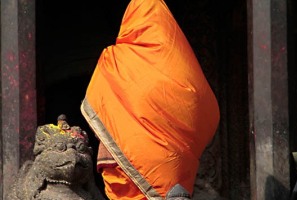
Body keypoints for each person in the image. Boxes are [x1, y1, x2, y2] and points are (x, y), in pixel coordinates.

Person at [81, 0, 220, 199]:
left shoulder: (114, 60)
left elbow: (100, 101)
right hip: (168, 164)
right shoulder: (183, 67)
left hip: (117, 155)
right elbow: (205, 109)